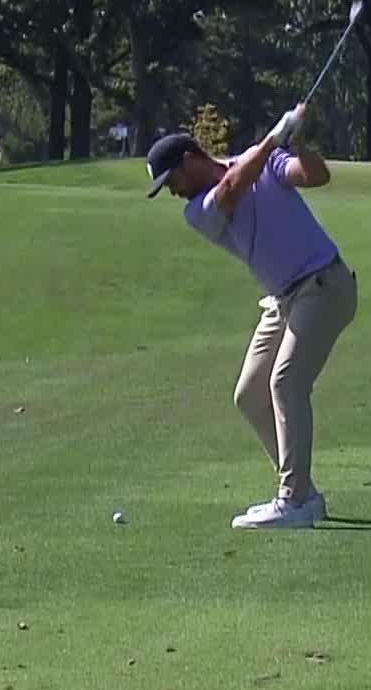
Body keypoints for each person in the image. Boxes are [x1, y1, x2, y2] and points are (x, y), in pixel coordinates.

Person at [145, 104, 357, 530]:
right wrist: (272, 137)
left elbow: (315, 176)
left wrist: (295, 140)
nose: (173, 191)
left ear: (189, 160)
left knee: (285, 382)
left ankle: (293, 499)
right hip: (285, 299)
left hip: (324, 286)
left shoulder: (264, 161)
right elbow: (231, 190)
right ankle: (305, 492)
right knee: (249, 395)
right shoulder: (199, 210)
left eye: (172, 181)